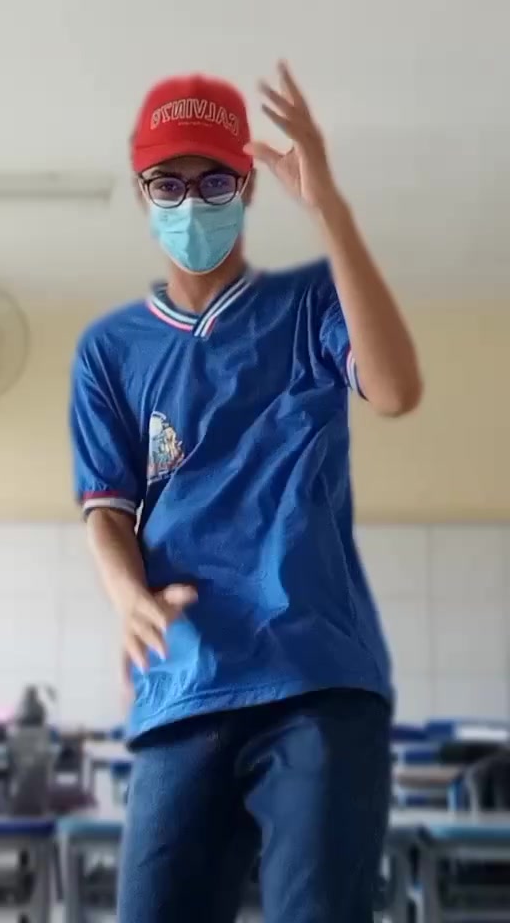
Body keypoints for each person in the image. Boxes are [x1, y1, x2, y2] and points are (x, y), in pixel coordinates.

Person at [70, 63, 422, 923]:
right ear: (142, 191)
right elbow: (107, 510)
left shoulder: (309, 305)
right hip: (182, 688)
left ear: (248, 185)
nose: (192, 203)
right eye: (169, 183)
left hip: (315, 681)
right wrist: (128, 598)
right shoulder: (111, 352)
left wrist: (330, 208)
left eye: (214, 181)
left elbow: (396, 388)